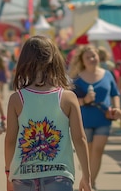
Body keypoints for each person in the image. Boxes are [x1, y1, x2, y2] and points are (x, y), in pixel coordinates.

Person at [5, 35, 92, 191]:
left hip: (23, 176)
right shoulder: (68, 98)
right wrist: (87, 176)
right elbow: (80, 139)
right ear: (55, 60)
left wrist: (8, 173)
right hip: (59, 175)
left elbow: (10, 141)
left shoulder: (17, 99)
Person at [70, 45, 121, 190]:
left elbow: (115, 93)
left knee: (98, 150)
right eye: (88, 57)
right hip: (84, 120)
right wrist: (85, 100)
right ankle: (87, 179)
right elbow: (71, 100)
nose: (92, 59)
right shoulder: (77, 78)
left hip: (103, 118)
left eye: (94, 56)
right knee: (88, 152)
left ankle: (91, 183)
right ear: (82, 61)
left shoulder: (108, 74)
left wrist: (116, 108)